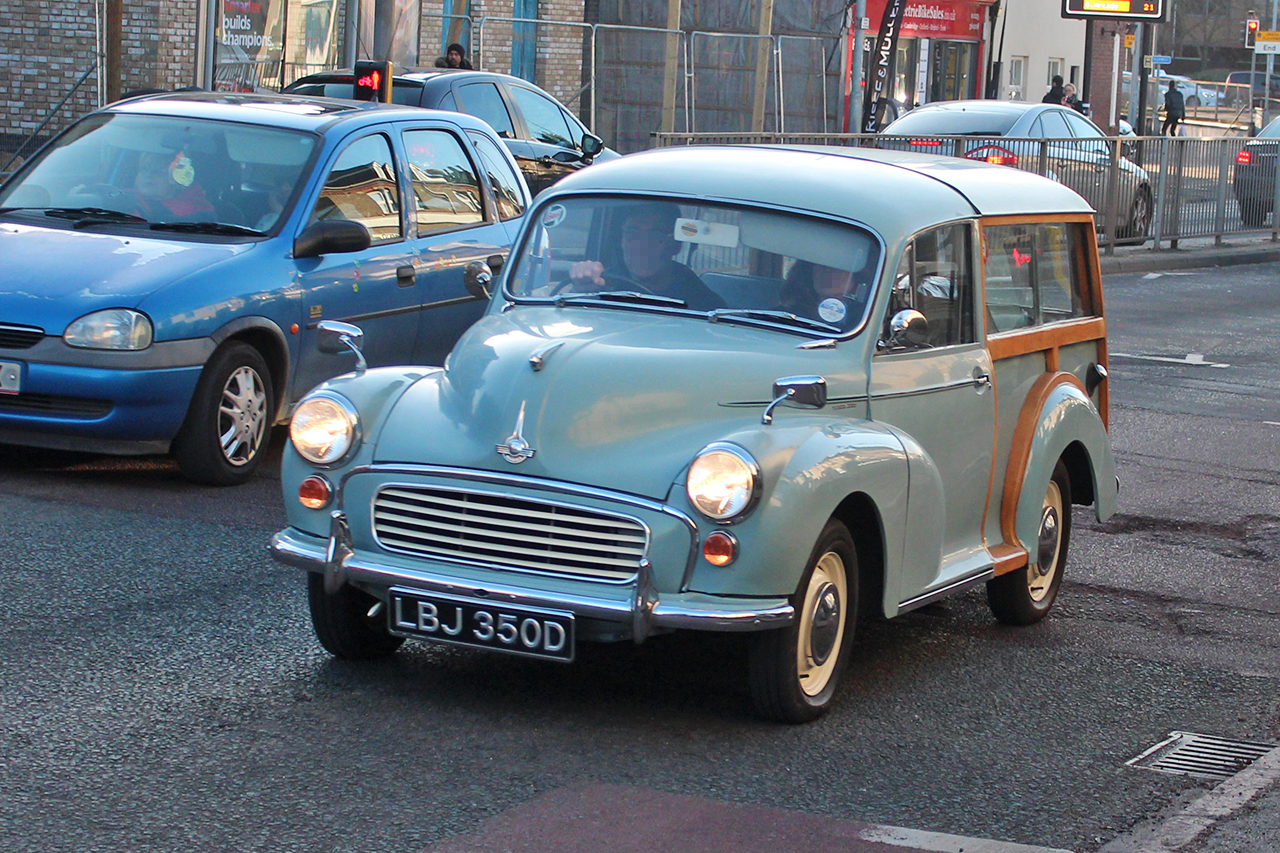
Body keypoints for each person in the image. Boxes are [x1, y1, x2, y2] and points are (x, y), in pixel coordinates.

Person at [567, 203, 726, 310]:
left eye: (656, 235)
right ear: (621, 240)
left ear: (675, 245)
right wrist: (579, 289)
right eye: (632, 233)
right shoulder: (604, 283)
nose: (641, 245)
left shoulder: (702, 303)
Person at [132, 150, 215, 219]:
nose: (149, 174)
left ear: (178, 178)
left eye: (159, 170)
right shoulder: (125, 198)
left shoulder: (198, 210)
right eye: (144, 168)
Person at [776, 261, 866, 322]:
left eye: (838, 267)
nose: (828, 272)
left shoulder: (864, 317)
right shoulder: (781, 316)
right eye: (823, 266)